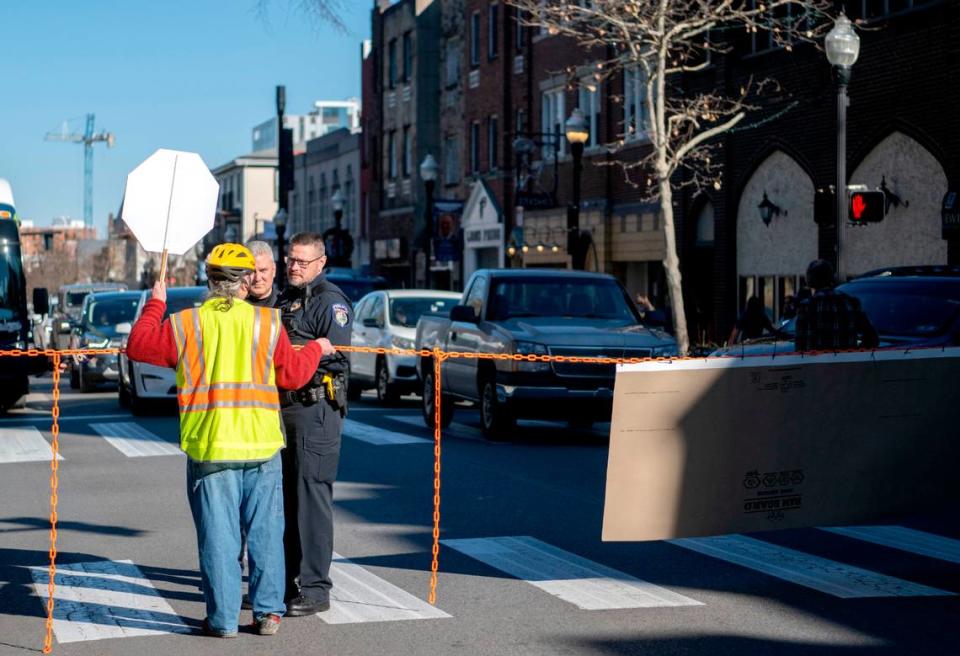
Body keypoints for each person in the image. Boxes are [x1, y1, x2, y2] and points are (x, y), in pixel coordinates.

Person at [125, 243, 335, 638]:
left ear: (209, 281)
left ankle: (222, 621)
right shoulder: (267, 323)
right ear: (244, 283)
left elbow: (138, 346)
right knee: (266, 533)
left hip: (211, 447)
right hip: (260, 445)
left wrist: (157, 302)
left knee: (219, 538)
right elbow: (292, 376)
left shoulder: (186, 324)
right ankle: (269, 614)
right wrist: (316, 349)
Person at [276, 232, 353, 617]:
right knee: (285, 500)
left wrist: (300, 354)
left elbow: (335, 354)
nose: (293, 266)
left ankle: (315, 588)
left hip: (315, 410)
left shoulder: (330, 302)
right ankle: (286, 582)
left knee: (312, 500)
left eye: (302, 262)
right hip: (284, 410)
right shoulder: (286, 298)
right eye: (290, 260)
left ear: (321, 263)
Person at [795, 259, 879, 352]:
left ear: (808, 280)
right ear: (831, 278)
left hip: (818, 365)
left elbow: (801, 348)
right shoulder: (852, 302)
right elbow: (872, 338)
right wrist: (855, 353)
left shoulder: (807, 306)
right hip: (849, 364)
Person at [245, 240, 278, 307]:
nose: (257, 278)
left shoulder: (285, 306)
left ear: (274, 270)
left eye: (263, 270)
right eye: (251, 271)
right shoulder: (231, 306)